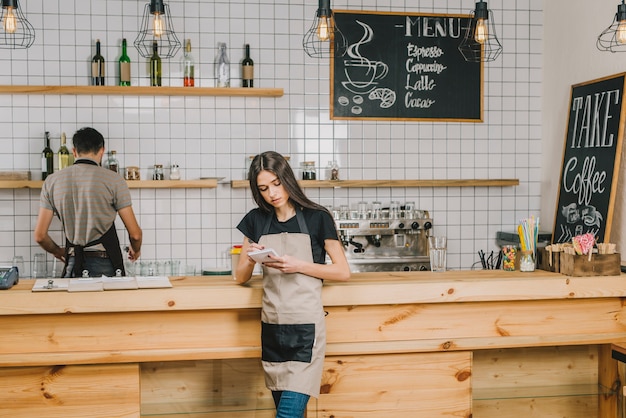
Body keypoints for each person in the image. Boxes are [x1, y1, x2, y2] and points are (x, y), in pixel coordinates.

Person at [234, 151, 350, 418]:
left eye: (276, 183)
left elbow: (342, 271)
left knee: (287, 415)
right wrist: (254, 256)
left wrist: (298, 265)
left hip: (306, 329)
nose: (272, 193)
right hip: (273, 328)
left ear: (287, 178)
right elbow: (240, 277)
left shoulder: (317, 217)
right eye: (263, 189)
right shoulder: (255, 220)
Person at [34, 127, 142, 277]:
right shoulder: (114, 180)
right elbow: (135, 235)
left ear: (74, 151)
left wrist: (57, 251)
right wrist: (135, 249)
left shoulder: (52, 181)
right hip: (105, 267)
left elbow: (40, 236)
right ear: (102, 150)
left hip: (73, 264)